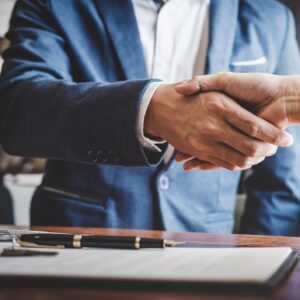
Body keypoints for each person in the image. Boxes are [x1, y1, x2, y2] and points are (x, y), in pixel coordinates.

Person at [0, 0, 299, 235]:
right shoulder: (53, 3)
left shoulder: (272, 18)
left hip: (206, 253)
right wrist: (149, 109)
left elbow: (282, 183)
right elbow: (17, 109)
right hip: (77, 249)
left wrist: (261, 266)